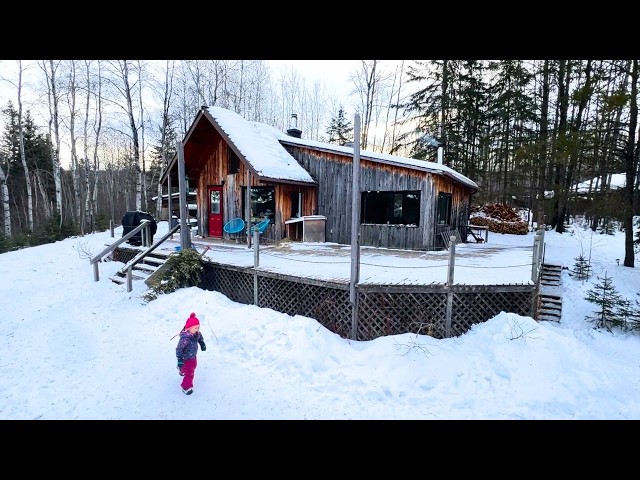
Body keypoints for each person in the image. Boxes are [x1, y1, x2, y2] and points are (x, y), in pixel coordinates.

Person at [175, 312, 206, 395]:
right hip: (185, 358)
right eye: (195, 328)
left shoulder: (196, 333)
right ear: (188, 328)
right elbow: (179, 349)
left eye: (198, 327)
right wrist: (180, 359)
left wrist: (202, 343)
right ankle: (186, 387)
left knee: (194, 366)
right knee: (190, 372)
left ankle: (181, 369)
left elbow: (200, 337)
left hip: (193, 356)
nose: (197, 329)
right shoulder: (185, 338)